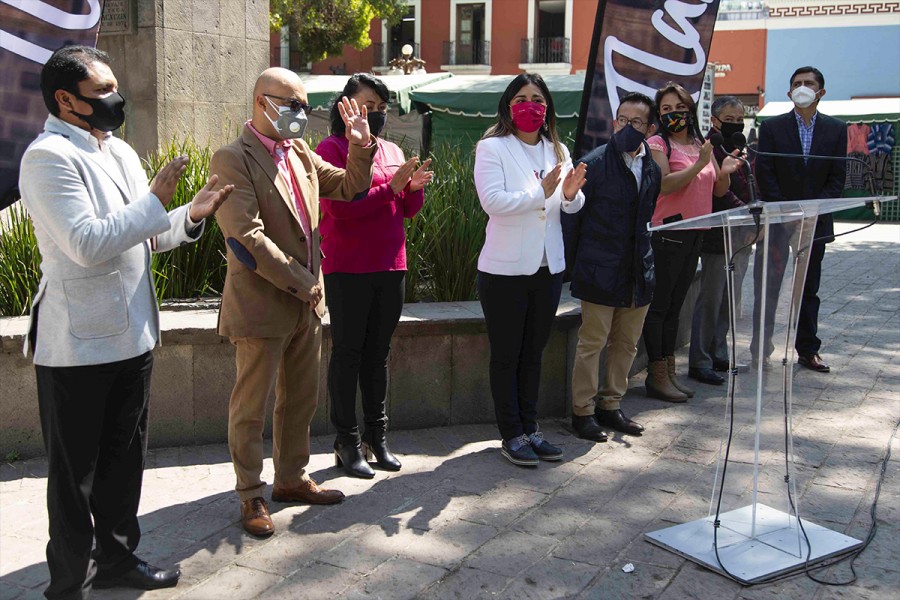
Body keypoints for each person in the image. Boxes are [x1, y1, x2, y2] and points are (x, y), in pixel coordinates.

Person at [18, 45, 232, 599]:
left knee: (123, 463)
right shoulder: (48, 158)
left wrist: (190, 214)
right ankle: (67, 583)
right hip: (77, 345)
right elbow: (87, 244)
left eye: (116, 87)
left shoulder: (120, 152)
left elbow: (150, 234)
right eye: (102, 92)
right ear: (65, 100)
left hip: (133, 335)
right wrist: (155, 201)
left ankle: (116, 559)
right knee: (74, 477)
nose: (116, 100)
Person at [210, 68, 377, 537]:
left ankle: (290, 478)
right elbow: (245, 238)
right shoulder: (232, 158)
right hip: (264, 303)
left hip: (307, 302)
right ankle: (250, 495)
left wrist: (360, 145)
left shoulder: (299, 151)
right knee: (251, 407)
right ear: (262, 102)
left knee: (300, 400)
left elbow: (348, 187)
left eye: (305, 106)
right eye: (292, 105)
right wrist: (303, 281)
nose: (301, 114)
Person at [315, 74, 433, 478]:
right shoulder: (329, 149)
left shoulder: (392, 149)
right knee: (347, 353)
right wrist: (391, 188)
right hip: (348, 267)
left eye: (382, 109)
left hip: (391, 264)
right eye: (369, 106)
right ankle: (346, 440)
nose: (376, 115)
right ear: (345, 107)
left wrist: (411, 188)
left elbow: (407, 210)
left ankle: (377, 437)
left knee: (378, 355)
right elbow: (341, 209)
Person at [474, 73, 587, 466]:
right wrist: (541, 192)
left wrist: (570, 194)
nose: (530, 104)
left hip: (547, 267)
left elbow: (569, 204)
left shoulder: (557, 149)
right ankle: (512, 434)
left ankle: (531, 427)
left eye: (537, 97)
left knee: (533, 353)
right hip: (504, 270)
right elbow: (493, 202)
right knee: (507, 354)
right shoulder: (492, 148)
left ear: (547, 107)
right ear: (508, 105)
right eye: (521, 97)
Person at [563, 92, 661, 442]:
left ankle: (611, 405)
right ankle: (583, 412)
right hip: (599, 269)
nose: (627, 127)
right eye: (622, 120)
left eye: (636, 122)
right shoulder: (595, 163)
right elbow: (572, 219)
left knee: (626, 344)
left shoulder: (651, 165)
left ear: (650, 128)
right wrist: (574, 267)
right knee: (593, 343)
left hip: (638, 270)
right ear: (613, 122)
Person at [642, 82, 740, 402]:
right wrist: (700, 164)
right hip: (667, 235)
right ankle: (656, 375)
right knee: (661, 307)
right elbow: (665, 185)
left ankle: (669, 370)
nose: (674, 114)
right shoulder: (657, 143)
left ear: (690, 110)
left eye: (679, 108)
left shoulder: (700, 143)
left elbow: (718, 192)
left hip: (697, 235)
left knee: (675, 307)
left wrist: (723, 170)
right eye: (666, 109)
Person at [752, 66, 846, 373]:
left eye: (808, 83)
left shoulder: (835, 129)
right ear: (789, 91)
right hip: (780, 222)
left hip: (815, 224)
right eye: (796, 83)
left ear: (820, 92)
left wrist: (814, 211)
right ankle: (761, 348)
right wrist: (785, 212)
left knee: (808, 289)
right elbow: (765, 173)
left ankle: (807, 350)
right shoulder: (773, 128)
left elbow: (836, 177)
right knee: (770, 286)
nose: (801, 87)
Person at [687, 96, 751, 385]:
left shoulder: (745, 149)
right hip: (716, 234)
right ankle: (699, 361)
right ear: (714, 120)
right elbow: (717, 190)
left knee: (729, 300)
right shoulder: (709, 148)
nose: (736, 123)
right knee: (710, 300)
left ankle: (719, 353)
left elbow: (751, 184)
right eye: (730, 118)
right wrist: (744, 208)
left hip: (742, 234)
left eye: (740, 119)